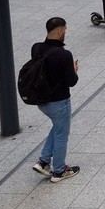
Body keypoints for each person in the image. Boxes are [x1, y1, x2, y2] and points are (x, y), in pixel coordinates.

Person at [31, 17, 80, 183]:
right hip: (59, 102)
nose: (65, 33)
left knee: (57, 127)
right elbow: (71, 81)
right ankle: (59, 171)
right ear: (59, 31)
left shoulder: (36, 48)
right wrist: (74, 69)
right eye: (65, 30)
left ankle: (43, 161)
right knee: (61, 135)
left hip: (41, 101)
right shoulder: (64, 55)